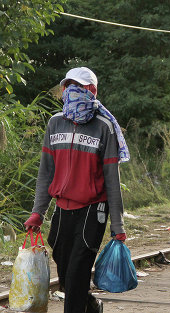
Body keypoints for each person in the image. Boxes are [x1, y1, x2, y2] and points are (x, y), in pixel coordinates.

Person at [23, 67, 129, 313]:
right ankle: (92, 306)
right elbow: (46, 173)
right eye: (69, 86)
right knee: (65, 271)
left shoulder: (104, 126)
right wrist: (38, 211)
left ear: (92, 92)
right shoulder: (55, 123)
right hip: (63, 208)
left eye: (79, 87)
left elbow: (112, 179)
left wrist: (118, 226)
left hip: (93, 210)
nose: (73, 92)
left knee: (78, 270)